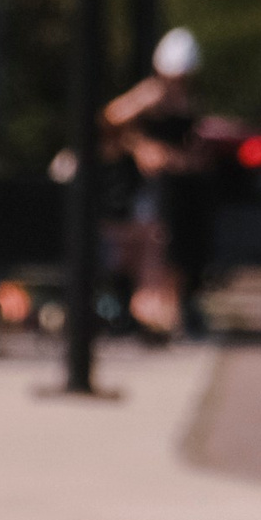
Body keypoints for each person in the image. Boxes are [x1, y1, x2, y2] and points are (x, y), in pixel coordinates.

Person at [103, 27, 215, 338]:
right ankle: (147, 311)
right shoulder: (151, 94)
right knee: (154, 244)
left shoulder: (190, 98)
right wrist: (140, 147)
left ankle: (174, 312)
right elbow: (111, 120)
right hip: (153, 187)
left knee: (180, 249)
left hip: (183, 185)